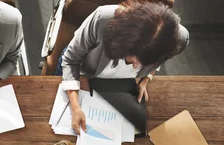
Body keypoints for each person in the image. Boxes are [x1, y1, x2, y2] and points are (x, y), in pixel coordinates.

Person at [56, 0, 188, 134]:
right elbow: (70, 60)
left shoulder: (179, 38)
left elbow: (162, 58)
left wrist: (147, 77)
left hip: (116, 86)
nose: (135, 65)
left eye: (142, 62)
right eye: (132, 56)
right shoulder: (103, 18)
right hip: (80, 69)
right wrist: (75, 107)